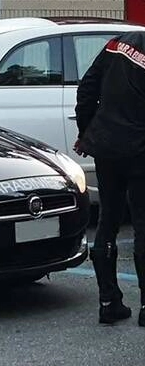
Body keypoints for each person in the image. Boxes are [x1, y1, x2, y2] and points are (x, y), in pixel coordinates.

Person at [75, 31, 145, 326]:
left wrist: (86, 132)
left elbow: (87, 88)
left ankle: (108, 301)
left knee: (108, 222)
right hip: (141, 149)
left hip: (107, 147)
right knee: (143, 225)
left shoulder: (120, 42)